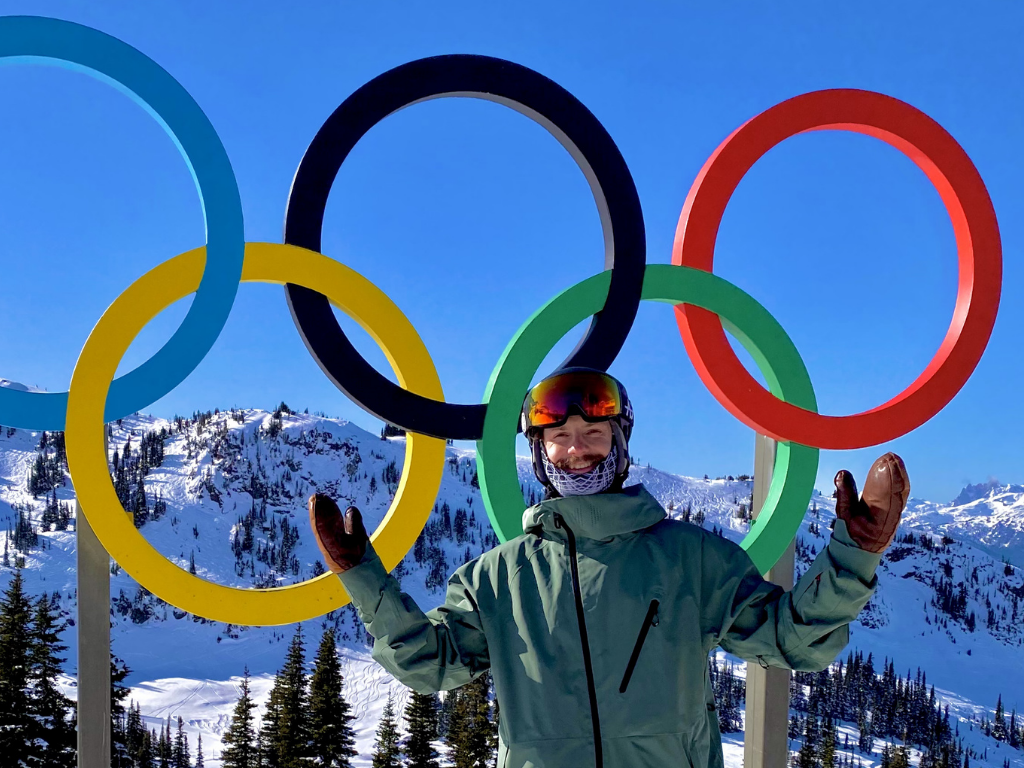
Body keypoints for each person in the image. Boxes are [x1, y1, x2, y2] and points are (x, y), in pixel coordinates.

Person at [309, 367, 910, 768]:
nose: (577, 449)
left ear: (620, 442)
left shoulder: (689, 559)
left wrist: (853, 554)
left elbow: (791, 640)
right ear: (539, 454)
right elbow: (429, 666)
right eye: (560, 437)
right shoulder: (498, 578)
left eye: (593, 432)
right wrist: (362, 575)